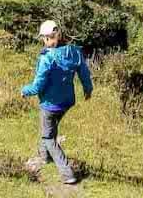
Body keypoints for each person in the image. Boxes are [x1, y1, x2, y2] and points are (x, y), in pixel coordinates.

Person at [21, 19, 92, 186]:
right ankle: (44, 157)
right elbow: (85, 74)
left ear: (48, 38)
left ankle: (67, 173)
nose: (44, 42)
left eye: (44, 39)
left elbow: (38, 86)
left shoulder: (47, 58)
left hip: (50, 104)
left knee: (48, 137)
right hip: (67, 102)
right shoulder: (74, 51)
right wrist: (88, 90)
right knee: (49, 128)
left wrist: (24, 90)